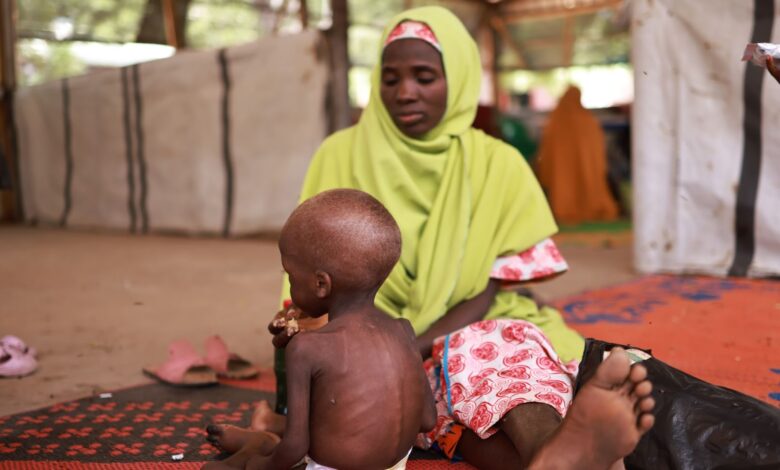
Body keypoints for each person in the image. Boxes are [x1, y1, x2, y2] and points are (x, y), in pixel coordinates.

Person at [210, 6, 649, 468]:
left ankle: (550, 446)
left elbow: (488, 291)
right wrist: (333, 338)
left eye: (424, 76)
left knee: (489, 361)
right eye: (390, 78)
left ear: (457, 79)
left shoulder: (496, 164)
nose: (405, 93)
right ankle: (557, 455)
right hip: (363, 343)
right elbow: (309, 268)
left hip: (472, 324)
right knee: (404, 413)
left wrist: (405, 347)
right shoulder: (340, 153)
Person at [204, 189, 438, 469]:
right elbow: (428, 420)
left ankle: (256, 449)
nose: (290, 283)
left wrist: (257, 467)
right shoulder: (404, 330)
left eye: (290, 276)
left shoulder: (307, 347)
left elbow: (295, 447)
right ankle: (262, 443)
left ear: (320, 284)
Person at [535, 86, 620, 225]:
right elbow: (597, 149)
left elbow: (547, 150)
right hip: (587, 171)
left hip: (562, 172)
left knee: (564, 189)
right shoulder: (587, 121)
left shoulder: (555, 122)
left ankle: (565, 211)